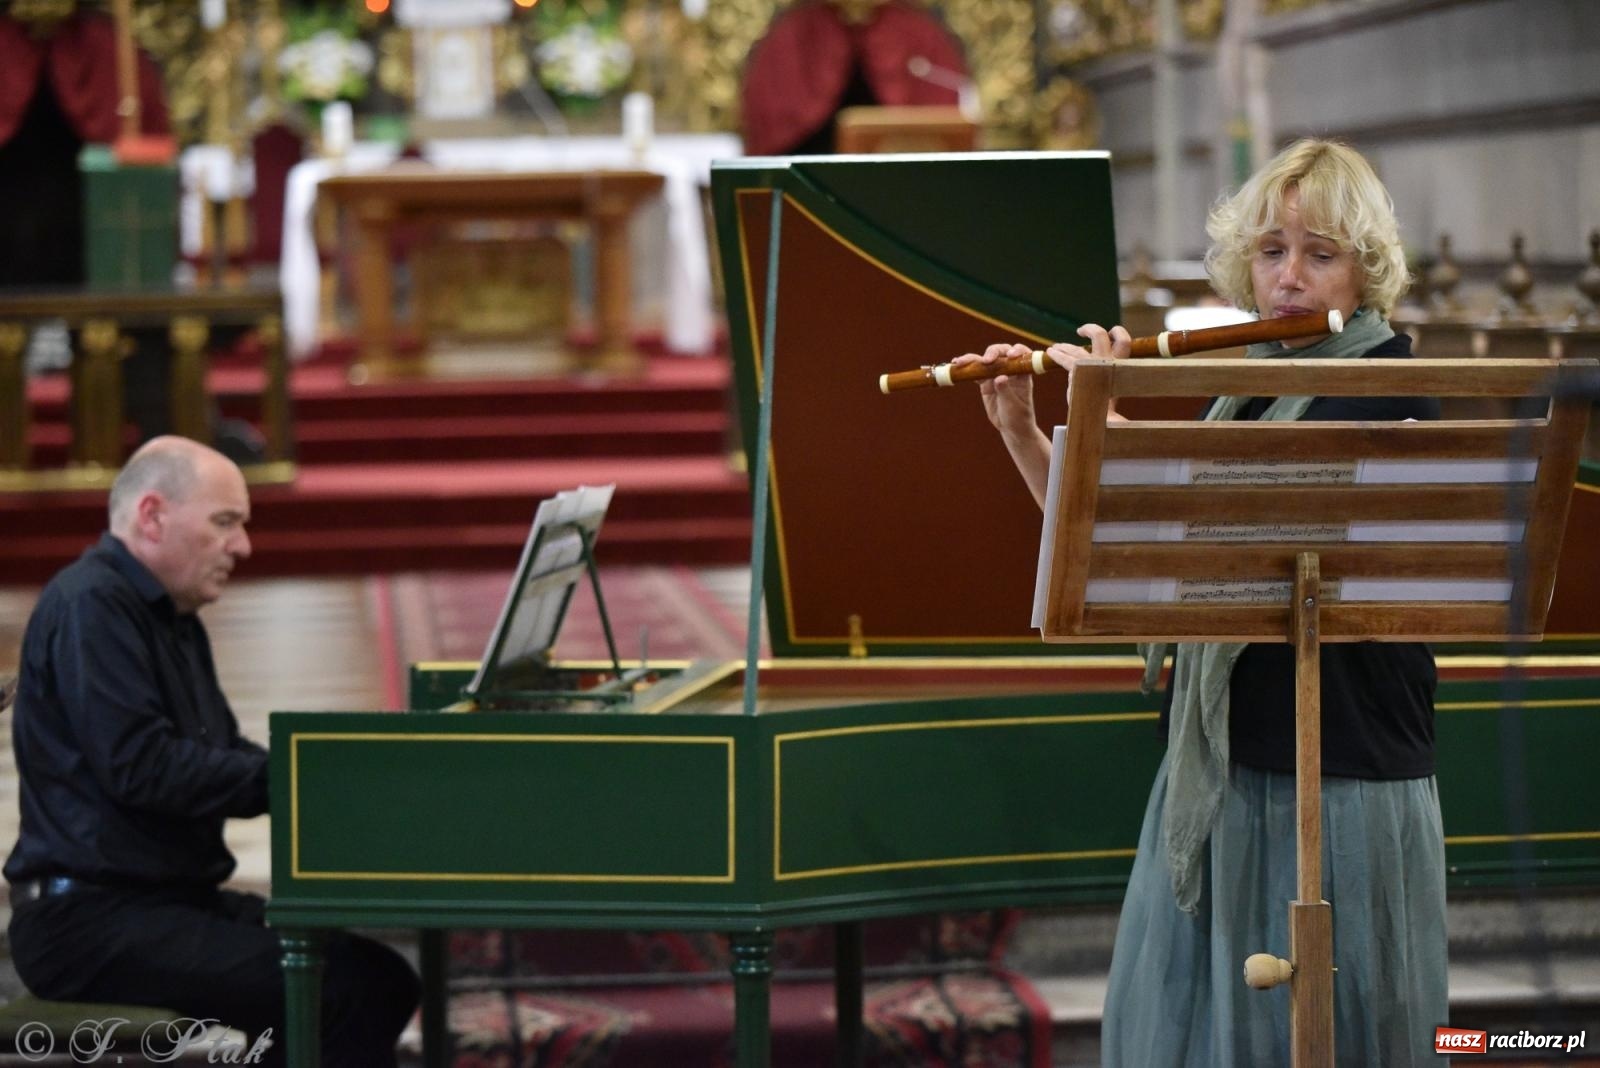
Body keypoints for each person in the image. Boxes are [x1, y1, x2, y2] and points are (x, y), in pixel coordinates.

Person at [954, 139, 1445, 1066]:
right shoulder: (1257, 389)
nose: (1289, 277)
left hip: (1334, 782)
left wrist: (1109, 412)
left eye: (1319, 252)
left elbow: (1221, 542)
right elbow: (1130, 552)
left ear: (1366, 269)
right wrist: (1024, 428)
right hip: (1230, 771)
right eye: (1271, 251)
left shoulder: (1386, 390)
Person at [5, 436, 420, 1066]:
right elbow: (143, 769)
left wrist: (323, 776)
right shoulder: (92, 605)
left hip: (162, 904)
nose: (243, 546)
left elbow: (224, 753)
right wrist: (304, 777)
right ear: (152, 515)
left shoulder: (172, 617)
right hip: (89, 922)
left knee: (385, 979)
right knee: (340, 993)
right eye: (225, 522)